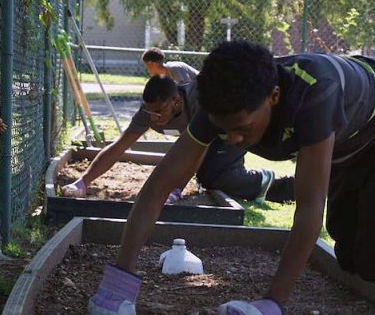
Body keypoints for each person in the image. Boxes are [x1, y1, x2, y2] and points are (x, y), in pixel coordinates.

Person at [88, 40, 375, 315]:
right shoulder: (217, 102)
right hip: (345, 149)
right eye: (222, 129)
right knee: (350, 258)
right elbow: (160, 184)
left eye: (242, 127)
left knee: (369, 260)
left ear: (274, 97)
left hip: (368, 139)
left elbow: (310, 204)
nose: (233, 139)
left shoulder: (315, 95)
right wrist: (120, 279)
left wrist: (272, 303)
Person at [62, 75, 291, 204]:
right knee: (210, 177)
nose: (154, 118)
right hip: (206, 137)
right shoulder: (149, 112)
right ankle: (264, 182)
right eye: (150, 112)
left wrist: (176, 189)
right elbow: (119, 146)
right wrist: (83, 182)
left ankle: (277, 184)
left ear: (176, 102)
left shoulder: (199, 102)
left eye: (159, 111)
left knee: (212, 176)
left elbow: (196, 151)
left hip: (229, 128)